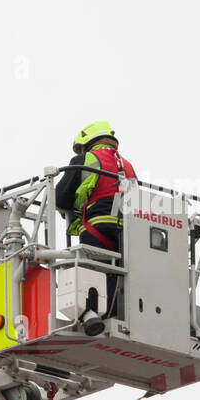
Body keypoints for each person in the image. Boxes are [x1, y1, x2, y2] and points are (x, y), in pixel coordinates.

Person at [54, 120, 137, 317]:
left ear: (87, 143)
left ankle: (91, 316)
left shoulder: (85, 159)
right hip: (127, 232)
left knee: (91, 275)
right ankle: (116, 315)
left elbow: (60, 198)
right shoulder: (128, 166)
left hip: (96, 228)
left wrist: (71, 209)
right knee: (117, 273)